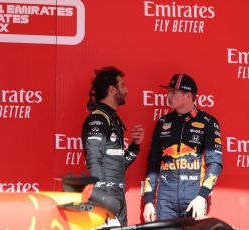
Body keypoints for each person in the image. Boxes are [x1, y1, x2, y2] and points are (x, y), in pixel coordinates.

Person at [143, 74, 223, 222]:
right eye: (168, 91)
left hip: (194, 196)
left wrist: (202, 196)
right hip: (165, 199)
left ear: (188, 95)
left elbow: (215, 163)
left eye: (173, 92)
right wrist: (148, 200)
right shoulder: (163, 123)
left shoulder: (208, 123)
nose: (168, 95)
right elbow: (153, 164)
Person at [81, 66, 144, 226]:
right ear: (112, 89)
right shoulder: (99, 119)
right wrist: (102, 198)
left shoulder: (112, 119)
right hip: (107, 199)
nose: (127, 90)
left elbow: (117, 166)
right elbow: (94, 160)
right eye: (122, 85)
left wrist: (135, 146)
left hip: (117, 198)